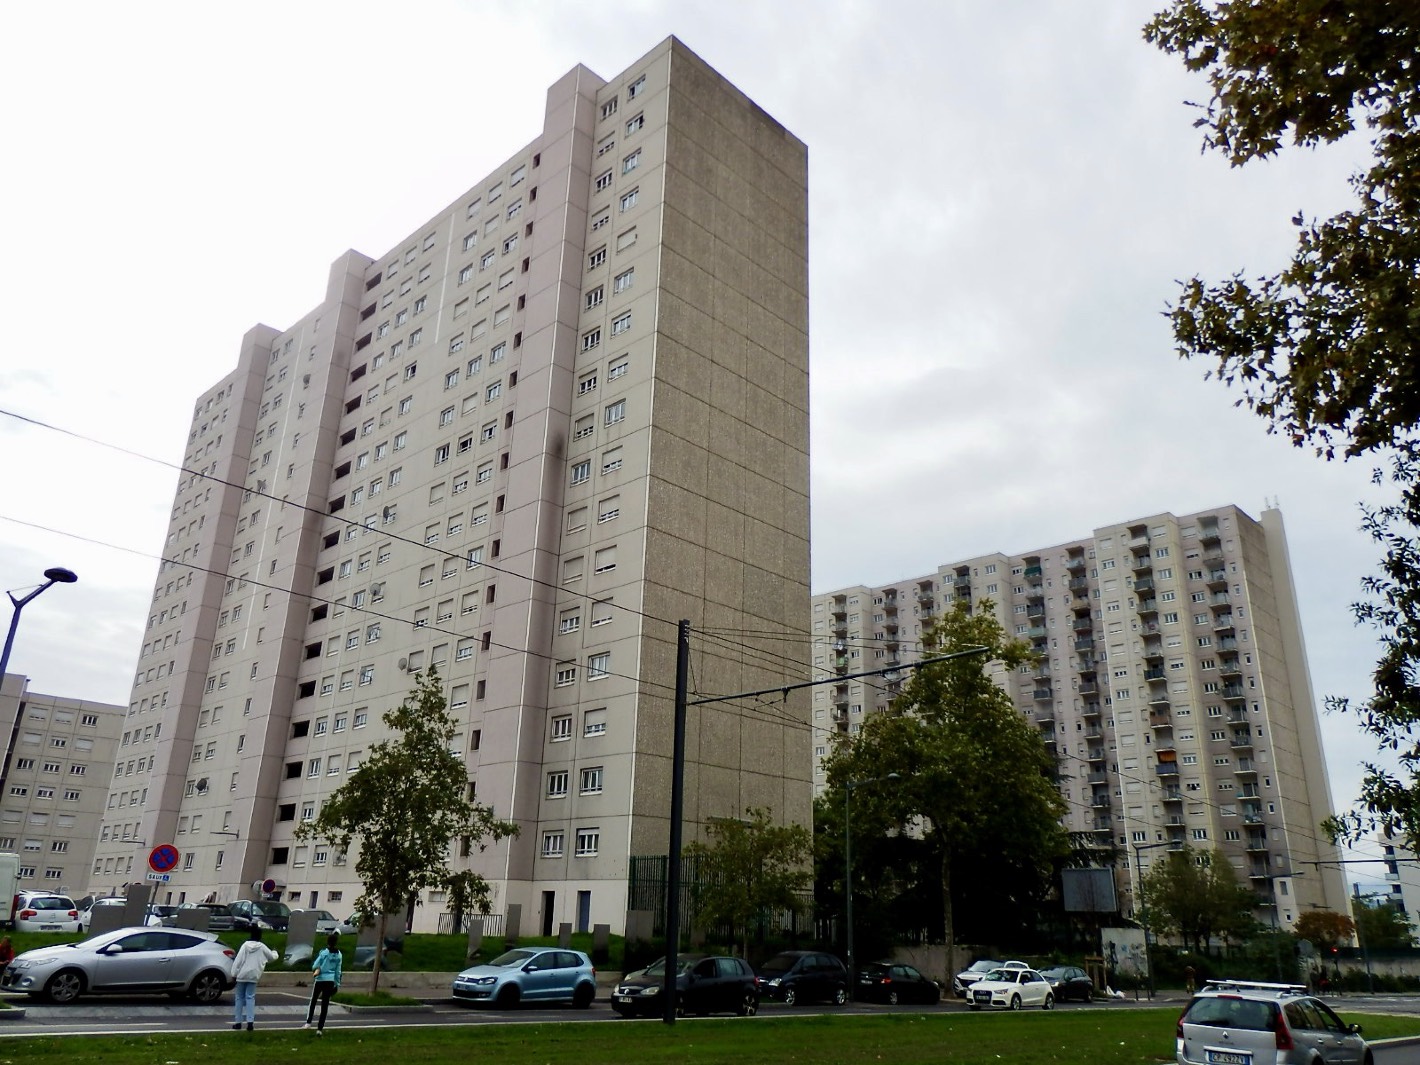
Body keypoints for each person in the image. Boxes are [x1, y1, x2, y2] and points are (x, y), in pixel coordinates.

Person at [231, 926, 278, 1031]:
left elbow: (238, 961)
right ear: (260, 936)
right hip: (253, 975)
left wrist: (234, 974)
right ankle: (250, 1023)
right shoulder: (262, 947)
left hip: (242, 975)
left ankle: (238, 1022)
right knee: (250, 998)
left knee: (239, 998)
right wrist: (275, 952)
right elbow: (271, 957)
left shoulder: (245, 946)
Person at [303, 932, 343, 1034]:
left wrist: (316, 970)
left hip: (320, 979)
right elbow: (338, 971)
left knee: (313, 1000)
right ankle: (320, 1029)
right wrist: (337, 983)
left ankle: (308, 1022)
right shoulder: (339, 955)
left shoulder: (324, 953)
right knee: (325, 1005)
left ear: (327, 942)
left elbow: (315, 965)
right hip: (330, 981)